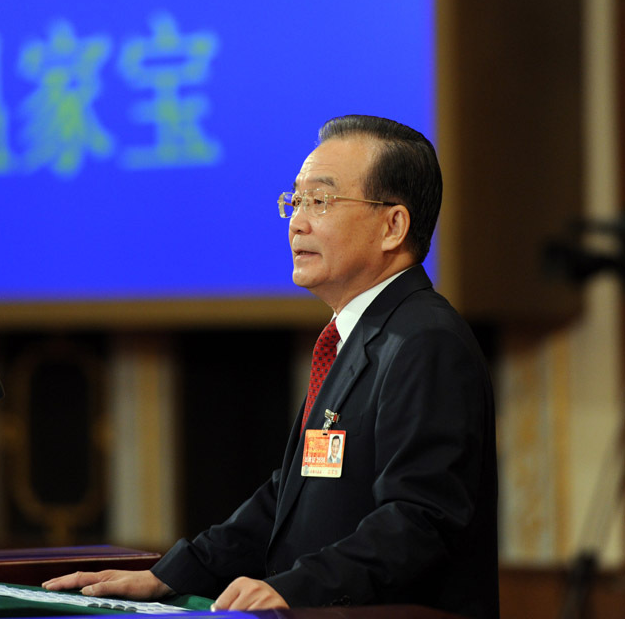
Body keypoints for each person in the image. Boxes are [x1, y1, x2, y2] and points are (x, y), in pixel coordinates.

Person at [43, 115, 499, 618]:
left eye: (321, 201)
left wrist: (296, 589)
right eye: (296, 201)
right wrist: (169, 576)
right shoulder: (359, 336)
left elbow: (420, 520)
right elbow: (290, 496)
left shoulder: (425, 340)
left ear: (393, 226)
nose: (297, 222)